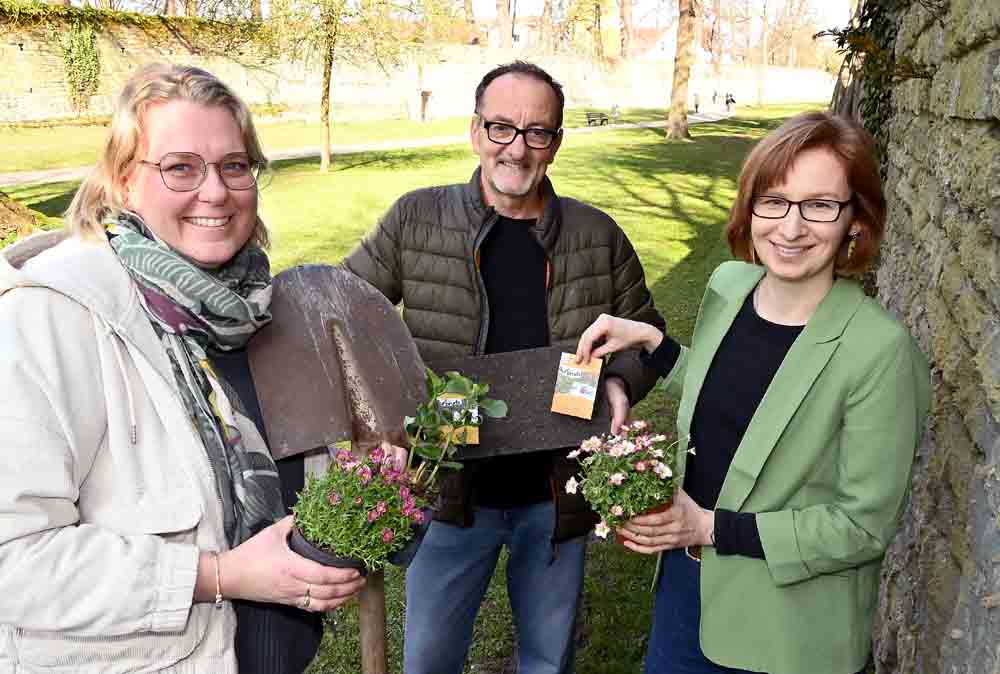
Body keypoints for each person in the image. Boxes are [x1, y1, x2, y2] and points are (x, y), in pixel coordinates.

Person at [0, 64, 369, 674]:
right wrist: (218, 576)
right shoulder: (52, 318)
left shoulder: (250, 309)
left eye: (234, 165)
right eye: (180, 167)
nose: (216, 191)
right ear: (122, 181)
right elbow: (12, 557)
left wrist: (362, 482)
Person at [575, 111, 931, 674]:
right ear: (750, 207)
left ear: (854, 222)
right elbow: (744, 399)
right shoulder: (730, 286)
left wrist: (710, 527)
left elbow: (861, 526)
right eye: (774, 200)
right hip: (685, 585)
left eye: (819, 205)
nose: (790, 228)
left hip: (783, 629)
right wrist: (653, 343)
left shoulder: (879, 352)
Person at [343, 60, 665, 674]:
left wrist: (621, 382)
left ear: (556, 143)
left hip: (556, 496)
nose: (517, 149)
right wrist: (379, 418)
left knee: (546, 660)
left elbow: (644, 330)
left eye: (536, 132)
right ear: (474, 132)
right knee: (430, 660)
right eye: (501, 128)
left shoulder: (597, 235)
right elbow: (348, 313)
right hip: (449, 494)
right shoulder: (416, 219)